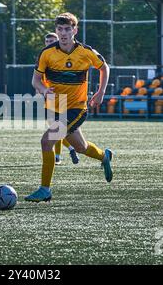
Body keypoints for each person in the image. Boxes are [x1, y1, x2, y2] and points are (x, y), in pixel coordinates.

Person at [25, 12, 113, 203]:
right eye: (60, 29)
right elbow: (35, 80)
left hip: (76, 108)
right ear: (56, 31)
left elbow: (104, 67)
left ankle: (45, 189)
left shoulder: (85, 51)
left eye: (67, 29)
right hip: (56, 107)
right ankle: (104, 156)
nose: (63, 33)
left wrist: (100, 92)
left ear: (75, 30)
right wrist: (44, 89)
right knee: (81, 147)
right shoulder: (46, 53)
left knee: (46, 141)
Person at [44, 32, 79, 165]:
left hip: (63, 97)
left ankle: (59, 155)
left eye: (52, 41)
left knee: (56, 128)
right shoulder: (45, 55)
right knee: (56, 129)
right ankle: (69, 149)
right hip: (50, 98)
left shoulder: (62, 56)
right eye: (47, 41)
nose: (49, 43)